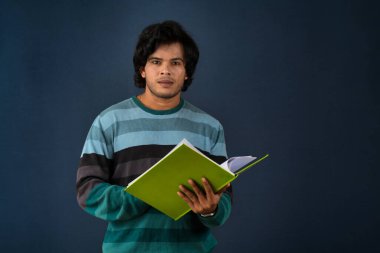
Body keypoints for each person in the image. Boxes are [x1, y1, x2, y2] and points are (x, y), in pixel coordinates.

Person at [76, 20, 232, 253]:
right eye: (156, 62)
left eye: (176, 63)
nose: (165, 71)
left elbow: (224, 202)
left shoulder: (209, 127)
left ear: (187, 71)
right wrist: (142, 195)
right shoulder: (109, 121)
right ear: (142, 68)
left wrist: (210, 210)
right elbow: (87, 191)